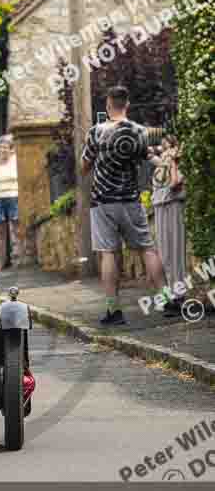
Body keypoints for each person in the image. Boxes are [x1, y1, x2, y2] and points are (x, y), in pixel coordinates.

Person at [81, 86, 168, 326]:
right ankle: (167, 300)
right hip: (130, 200)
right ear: (126, 105)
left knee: (108, 253)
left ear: (108, 105)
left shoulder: (96, 132)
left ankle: (114, 310)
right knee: (147, 248)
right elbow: (149, 157)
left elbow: (84, 166)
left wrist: (98, 162)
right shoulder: (139, 132)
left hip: (102, 201)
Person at [150, 135, 186, 316]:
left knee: (175, 252)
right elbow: (150, 155)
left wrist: (172, 162)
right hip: (159, 207)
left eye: (166, 144)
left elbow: (175, 183)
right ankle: (170, 296)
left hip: (172, 205)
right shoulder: (163, 161)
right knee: (164, 254)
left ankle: (179, 297)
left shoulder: (176, 161)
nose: (162, 147)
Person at [0, 134, 19, 272]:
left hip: (13, 196)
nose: (2, 150)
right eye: (0, 147)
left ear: (11, 149)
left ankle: (18, 261)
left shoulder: (15, 161)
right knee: (0, 233)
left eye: (5, 147)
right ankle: (0, 264)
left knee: (15, 229)